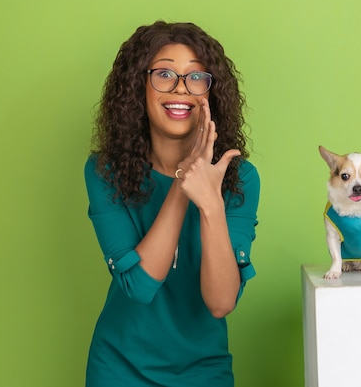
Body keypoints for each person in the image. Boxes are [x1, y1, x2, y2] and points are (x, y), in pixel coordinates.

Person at [84, 21, 260, 387]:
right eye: (164, 74)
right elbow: (141, 284)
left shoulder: (240, 179)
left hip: (204, 370)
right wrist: (184, 182)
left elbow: (221, 303)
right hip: (119, 368)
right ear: (137, 86)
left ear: (211, 92)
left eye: (196, 77)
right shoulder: (104, 172)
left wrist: (210, 203)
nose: (180, 89)